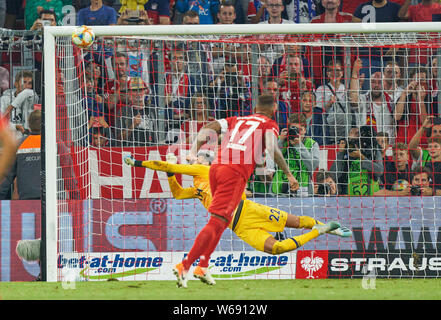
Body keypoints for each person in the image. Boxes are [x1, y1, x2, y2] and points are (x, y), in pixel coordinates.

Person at [124, 152, 347, 285]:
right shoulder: (197, 186)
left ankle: (327, 227)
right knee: (276, 249)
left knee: (296, 221)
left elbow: (165, 164)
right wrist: (171, 175)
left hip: (246, 210)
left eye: (198, 157)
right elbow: (178, 194)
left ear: (204, 162)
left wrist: (137, 163)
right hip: (238, 227)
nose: (193, 159)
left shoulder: (203, 170)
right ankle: (321, 229)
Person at [171, 94, 299, 288]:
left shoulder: (237, 119)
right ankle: (185, 265)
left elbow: (209, 127)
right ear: (274, 108)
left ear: (255, 106)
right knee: (217, 221)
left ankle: (203, 266)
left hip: (215, 169)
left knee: (222, 221)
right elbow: (273, 147)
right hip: (234, 173)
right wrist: (289, 174)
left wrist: (193, 150)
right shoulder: (269, 124)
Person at [272, 112, 320, 197]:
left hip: (303, 191)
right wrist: (281, 141)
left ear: (305, 130)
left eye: (300, 130)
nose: (297, 133)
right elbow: (271, 161)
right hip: (278, 189)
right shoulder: (281, 140)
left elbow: (312, 166)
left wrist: (299, 145)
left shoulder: (312, 144)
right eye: (294, 129)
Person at [350, 58, 394, 142]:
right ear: (369, 83)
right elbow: (353, 99)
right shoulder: (363, 99)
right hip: (366, 145)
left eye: (379, 82)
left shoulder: (391, 102)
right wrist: (355, 72)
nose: (376, 85)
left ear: (384, 83)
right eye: (373, 82)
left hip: (387, 146)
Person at [331, 125, 384, 196]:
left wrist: (362, 157)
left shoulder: (373, 149)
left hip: (372, 196)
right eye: (352, 133)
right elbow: (333, 175)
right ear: (348, 137)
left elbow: (379, 171)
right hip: (350, 198)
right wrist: (340, 152)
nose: (355, 136)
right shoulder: (344, 152)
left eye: (357, 133)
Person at [0, 110, 41, 200]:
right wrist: (75, 197)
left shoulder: (19, 144)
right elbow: (67, 170)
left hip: (26, 199)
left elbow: (7, 176)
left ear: (29, 125)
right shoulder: (55, 143)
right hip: (51, 199)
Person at [113, 77, 157, 147]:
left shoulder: (153, 109)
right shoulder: (123, 111)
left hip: (151, 150)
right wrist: (133, 126)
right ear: (129, 93)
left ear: (145, 91)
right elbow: (118, 139)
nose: (138, 93)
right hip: (131, 150)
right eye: (135, 90)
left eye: (140, 90)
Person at [316, 59, 350, 144]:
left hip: (345, 131)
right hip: (328, 132)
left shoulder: (346, 89)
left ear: (342, 73)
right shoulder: (321, 89)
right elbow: (318, 112)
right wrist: (329, 104)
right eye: (331, 70)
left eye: (338, 70)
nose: (335, 73)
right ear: (328, 73)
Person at [394, 67, 430, 145]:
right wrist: (404, 94)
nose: (419, 83)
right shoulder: (404, 98)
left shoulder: (430, 100)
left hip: (422, 144)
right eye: (416, 80)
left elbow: (426, 123)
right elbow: (397, 116)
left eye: (422, 80)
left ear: (427, 82)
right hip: (403, 144)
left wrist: (421, 101)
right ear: (411, 81)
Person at [0, 70, 39, 140]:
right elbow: (1, 123)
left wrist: (10, 107)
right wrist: (15, 127)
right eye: (24, 82)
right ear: (16, 84)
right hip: (10, 141)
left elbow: (26, 92)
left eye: (29, 83)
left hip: (27, 140)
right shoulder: (4, 99)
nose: (27, 86)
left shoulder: (33, 96)